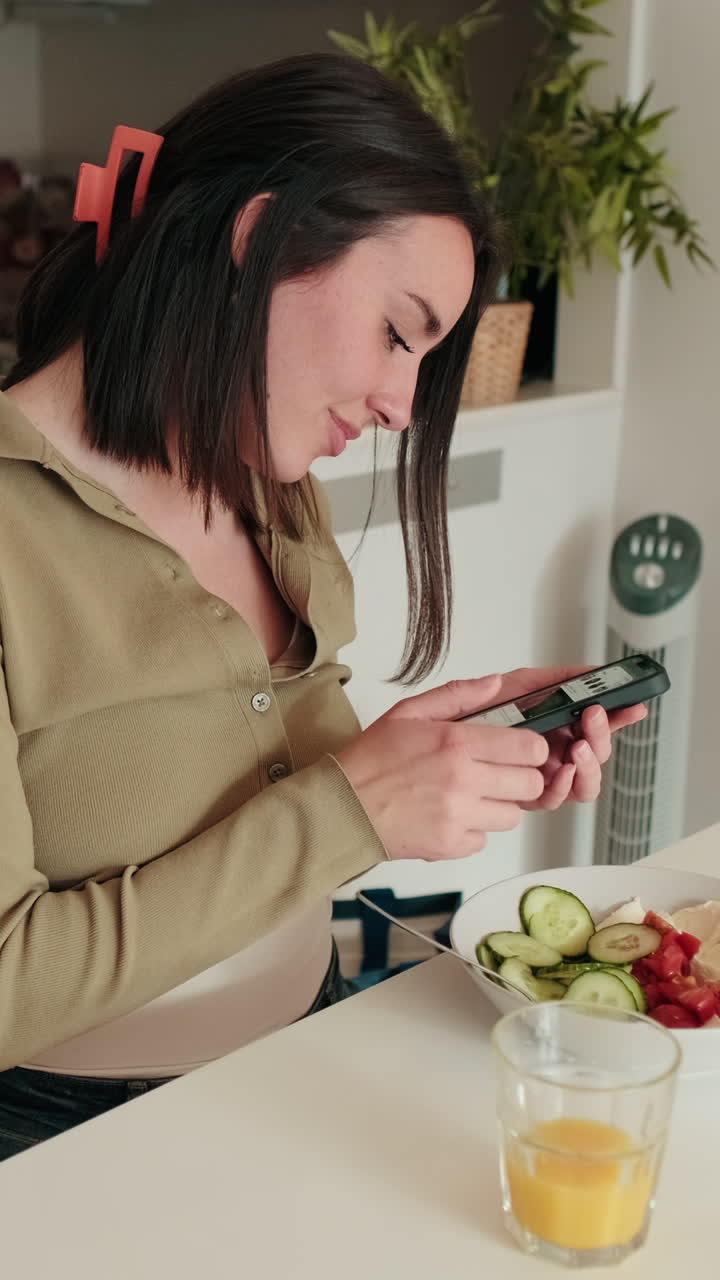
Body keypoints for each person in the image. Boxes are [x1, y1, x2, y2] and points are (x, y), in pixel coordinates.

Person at [0, 53, 643, 1161]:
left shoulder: (264, 476)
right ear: (259, 238)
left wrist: (446, 760)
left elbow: (268, 805)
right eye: (398, 332)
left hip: (310, 1046)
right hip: (70, 1142)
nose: (402, 405)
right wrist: (358, 805)